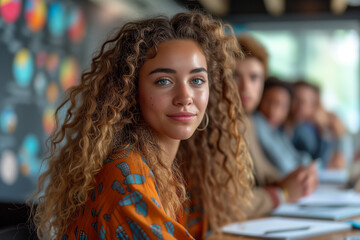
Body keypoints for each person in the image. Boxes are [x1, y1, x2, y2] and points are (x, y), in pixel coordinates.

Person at [30, 12, 253, 240]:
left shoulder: (173, 171)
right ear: (132, 93)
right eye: (163, 81)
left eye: (197, 80)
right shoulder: (126, 174)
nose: (185, 97)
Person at [234, 34, 317, 218]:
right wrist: (283, 193)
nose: (246, 87)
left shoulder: (248, 121)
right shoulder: (216, 126)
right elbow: (228, 204)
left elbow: (266, 174)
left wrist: (300, 179)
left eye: (254, 78)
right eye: (235, 76)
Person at [255, 77, 313, 174]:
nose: (273, 111)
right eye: (269, 102)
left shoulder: (277, 130)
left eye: (282, 106)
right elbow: (286, 166)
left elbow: (296, 156)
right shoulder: (258, 121)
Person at [286, 80, 349, 169]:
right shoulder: (300, 130)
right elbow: (321, 163)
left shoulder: (309, 127)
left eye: (305, 102)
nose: (300, 106)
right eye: (296, 100)